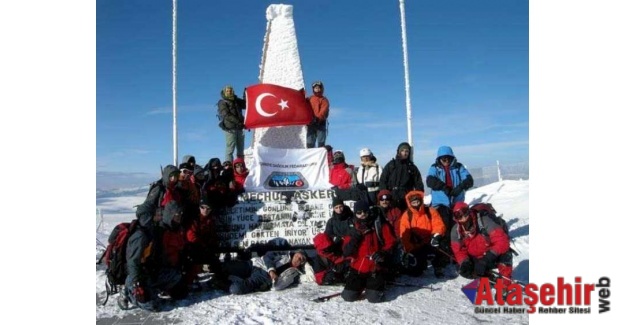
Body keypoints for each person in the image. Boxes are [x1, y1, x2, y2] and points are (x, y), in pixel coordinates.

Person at [121, 201, 188, 312]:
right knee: (153, 306)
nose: (159, 215)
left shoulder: (152, 230)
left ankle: (152, 289)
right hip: (138, 276)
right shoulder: (140, 236)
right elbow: (133, 262)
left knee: (177, 281)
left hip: (151, 271)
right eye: (156, 213)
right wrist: (137, 284)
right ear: (148, 216)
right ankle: (128, 293)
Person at [341, 200, 396, 303]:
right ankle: (363, 285)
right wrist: (356, 237)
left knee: (374, 298)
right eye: (359, 212)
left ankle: (380, 283)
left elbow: (391, 242)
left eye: (365, 212)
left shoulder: (378, 224)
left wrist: (383, 253)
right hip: (357, 267)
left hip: (375, 267)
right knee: (348, 297)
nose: (362, 215)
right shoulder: (352, 227)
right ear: (355, 214)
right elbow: (346, 251)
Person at [450, 202, 513, 288]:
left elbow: (502, 241)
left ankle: (505, 284)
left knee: (506, 255)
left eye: (464, 212)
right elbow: (458, 251)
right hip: (477, 258)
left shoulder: (484, 221)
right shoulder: (455, 231)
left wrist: (487, 258)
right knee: (464, 269)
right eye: (458, 215)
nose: (463, 217)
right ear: (455, 218)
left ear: (469, 211)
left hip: (492, 254)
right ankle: (486, 279)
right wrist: (465, 261)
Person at [426, 145, 474, 255]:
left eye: (448, 157)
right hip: (440, 203)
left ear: (452, 157)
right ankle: (445, 253)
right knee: (443, 228)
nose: (446, 160)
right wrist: (443, 187)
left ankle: (460, 251)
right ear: (439, 159)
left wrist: (460, 187)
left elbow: (469, 180)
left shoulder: (459, 167)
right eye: (443, 158)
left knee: (458, 227)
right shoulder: (434, 167)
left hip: (456, 203)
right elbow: (430, 180)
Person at [398, 190, 447, 278]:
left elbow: (439, 225)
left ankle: (438, 266)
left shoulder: (430, 211)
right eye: (413, 202)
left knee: (442, 244)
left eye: (417, 201)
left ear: (421, 200)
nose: (416, 204)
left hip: (431, 241)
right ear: (410, 203)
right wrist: (410, 249)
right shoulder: (407, 215)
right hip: (416, 245)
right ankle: (420, 263)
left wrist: (436, 236)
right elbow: (404, 235)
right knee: (416, 272)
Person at [222, 250, 312, 294]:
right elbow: (268, 256)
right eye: (298, 256)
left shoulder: (295, 274)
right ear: (295, 254)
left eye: (302, 260)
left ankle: (220, 283)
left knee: (236, 289)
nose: (299, 259)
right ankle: (222, 275)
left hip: (263, 277)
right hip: (256, 264)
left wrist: (307, 264)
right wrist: (271, 270)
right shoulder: (284, 254)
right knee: (227, 266)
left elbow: (311, 278)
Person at [379, 142, 424, 211]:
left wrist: (417, 197)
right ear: (398, 152)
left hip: (406, 199)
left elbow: (418, 183)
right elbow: (383, 180)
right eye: (402, 151)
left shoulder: (412, 167)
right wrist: (385, 195)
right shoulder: (391, 165)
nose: (405, 153)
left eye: (407, 151)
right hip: (391, 198)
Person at [217, 85, 246, 163]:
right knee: (230, 149)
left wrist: (245, 95)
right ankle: (229, 167)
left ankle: (240, 167)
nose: (229, 92)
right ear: (224, 92)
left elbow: (245, 105)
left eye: (230, 90)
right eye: (227, 91)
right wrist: (238, 122)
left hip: (239, 128)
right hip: (230, 129)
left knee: (241, 150)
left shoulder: (236, 100)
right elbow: (226, 115)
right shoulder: (222, 102)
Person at [306, 81, 330, 148]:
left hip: (320, 124)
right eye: (316, 88)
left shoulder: (324, 100)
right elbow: (304, 106)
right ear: (313, 89)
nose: (317, 89)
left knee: (321, 143)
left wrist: (318, 118)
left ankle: (320, 156)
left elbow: (324, 110)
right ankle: (310, 156)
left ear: (322, 89)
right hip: (311, 124)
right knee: (310, 142)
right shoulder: (309, 99)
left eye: (319, 88)